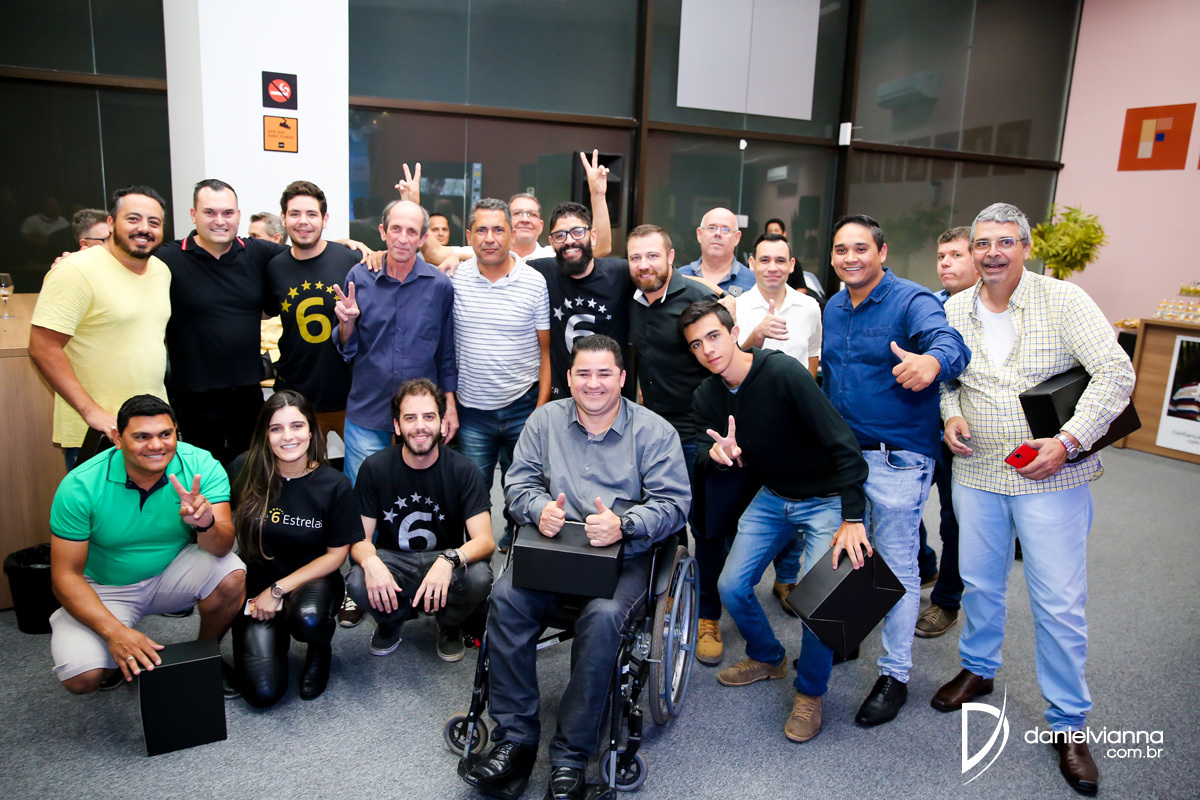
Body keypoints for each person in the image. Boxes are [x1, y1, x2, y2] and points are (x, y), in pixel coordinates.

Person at [934, 203, 1134, 796]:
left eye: (1005, 242)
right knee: (979, 583)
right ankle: (979, 669)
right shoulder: (954, 308)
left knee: (1059, 603)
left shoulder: (1063, 301)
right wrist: (950, 415)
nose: (992, 253)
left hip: (1053, 478)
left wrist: (1068, 441)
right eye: (982, 243)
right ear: (972, 251)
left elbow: (1115, 373)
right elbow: (947, 380)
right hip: (977, 472)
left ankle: (1068, 721)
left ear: (1025, 247)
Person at [463, 335, 689, 800]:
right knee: (505, 598)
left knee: (603, 618)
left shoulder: (655, 432)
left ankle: (570, 755)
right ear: (568, 378)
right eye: (583, 373)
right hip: (555, 548)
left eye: (604, 373)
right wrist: (539, 509)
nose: (593, 383)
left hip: (623, 556)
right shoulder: (544, 421)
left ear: (622, 378)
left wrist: (624, 525)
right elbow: (518, 484)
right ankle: (515, 740)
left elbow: (673, 504)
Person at [681, 300, 868, 742]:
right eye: (696, 345)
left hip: (826, 500)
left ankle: (811, 693)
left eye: (713, 336)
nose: (708, 349)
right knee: (731, 586)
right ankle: (768, 657)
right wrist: (716, 456)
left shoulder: (782, 372)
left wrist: (853, 515)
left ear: (734, 332)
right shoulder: (706, 395)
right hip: (774, 496)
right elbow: (702, 453)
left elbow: (843, 442)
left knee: (819, 601)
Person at [821, 213, 970, 727]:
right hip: (845, 455)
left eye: (861, 248)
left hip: (896, 457)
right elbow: (832, 379)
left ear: (881, 252)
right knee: (849, 551)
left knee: (898, 564)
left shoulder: (912, 300)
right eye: (841, 250)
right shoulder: (834, 306)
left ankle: (895, 675)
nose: (850, 258)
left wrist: (932, 362)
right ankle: (845, 636)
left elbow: (950, 344)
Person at [157, 179, 373, 466]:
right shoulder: (169, 258)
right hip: (206, 395)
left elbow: (314, 252)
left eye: (227, 213)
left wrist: (353, 247)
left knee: (258, 471)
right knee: (214, 473)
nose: (220, 221)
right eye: (210, 212)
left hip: (269, 393)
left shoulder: (263, 254)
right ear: (193, 214)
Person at [47, 395, 245, 696]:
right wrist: (115, 633)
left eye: (165, 434)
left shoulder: (201, 465)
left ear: (176, 432)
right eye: (141, 437)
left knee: (232, 574)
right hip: (105, 586)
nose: (156, 445)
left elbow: (222, 547)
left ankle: (204, 656)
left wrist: (205, 523)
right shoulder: (80, 485)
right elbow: (64, 575)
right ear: (118, 439)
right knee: (83, 678)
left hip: (171, 571)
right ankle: (107, 644)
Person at [626, 224, 738, 665]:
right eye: (636, 258)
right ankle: (669, 591)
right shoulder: (632, 297)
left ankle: (708, 614)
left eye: (653, 255)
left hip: (697, 429)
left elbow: (725, 346)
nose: (644, 265)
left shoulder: (696, 298)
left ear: (671, 257)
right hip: (653, 430)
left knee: (705, 526)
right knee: (662, 517)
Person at [346, 379, 494, 662]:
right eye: (410, 418)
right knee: (357, 579)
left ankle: (449, 624)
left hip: (444, 559)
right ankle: (391, 620)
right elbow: (358, 539)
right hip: (395, 560)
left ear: (442, 423)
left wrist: (449, 559)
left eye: (428, 416)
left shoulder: (463, 469)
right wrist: (370, 560)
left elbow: (485, 541)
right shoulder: (374, 468)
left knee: (479, 577)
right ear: (397, 426)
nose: (420, 426)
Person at [231, 391, 360, 707]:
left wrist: (278, 590)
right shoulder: (244, 469)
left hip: (313, 582)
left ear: (312, 431)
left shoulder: (334, 484)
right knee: (262, 694)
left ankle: (319, 649)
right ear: (265, 435)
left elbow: (336, 555)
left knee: (309, 620)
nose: (288, 437)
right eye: (276, 429)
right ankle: (275, 635)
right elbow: (219, 529)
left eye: (297, 426)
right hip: (257, 588)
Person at [30, 186, 171, 469]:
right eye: (133, 219)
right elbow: (42, 347)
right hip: (98, 430)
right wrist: (91, 411)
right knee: (99, 500)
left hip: (152, 428)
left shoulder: (161, 270)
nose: (144, 228)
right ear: (111, 223)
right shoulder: (76, 270)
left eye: (153, 222)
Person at [333, 198, 458, 482]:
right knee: (364, 495)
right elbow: (346, 348)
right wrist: (347, 323)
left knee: (419, 497)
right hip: (368, 410)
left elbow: (446, 353)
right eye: (396, 229)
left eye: (412, 231)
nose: (402, 238)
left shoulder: (439, 286)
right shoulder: (359, 277)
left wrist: (449, 405)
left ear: (423, 238)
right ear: (382, 232)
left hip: (421, 418)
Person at [450, 198, 550, 551]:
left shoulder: (534, 282)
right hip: (471, 409)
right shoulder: (455, 279)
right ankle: (476, 554)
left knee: (521, 486)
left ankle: (515, 539)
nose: (489, 238)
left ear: (511, 233)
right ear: (469, 236)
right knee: (473, 490)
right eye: (481, 230)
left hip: (522, 404)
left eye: (498, 230)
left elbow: (546, 351)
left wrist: (540, 408)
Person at [733, 232, 823, 613]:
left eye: (780, 260)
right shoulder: (738, 306)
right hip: (751, 422)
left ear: (791, 265)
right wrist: (756, 334)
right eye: (765, 260)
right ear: (752, 263)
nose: (773, 267)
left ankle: (787, 579)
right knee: (751, 505)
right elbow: (729, 360)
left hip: (797, 425)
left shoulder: (809, 307)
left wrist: (807, 405)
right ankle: (741, 579)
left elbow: (813, 357)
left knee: (798, 503)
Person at [265, 181, 361, 442]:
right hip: (297, 400)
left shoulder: (350, 259)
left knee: (366, 467)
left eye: (311, 214)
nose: (303, 221)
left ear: (325, 219)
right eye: (295, 214)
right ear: (283, 218)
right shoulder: (274, 267)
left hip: (350, 397)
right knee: (300, 466)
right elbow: (264, 312)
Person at [914, 226, 975, 639]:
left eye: (956, 255)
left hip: (966, 435)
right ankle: (923, 565)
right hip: (922, 426)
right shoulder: (929, 305)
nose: (946, 263)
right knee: (903, 507)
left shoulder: (987, 311)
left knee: (954, 521)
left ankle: (947, 601)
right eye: (941, 256)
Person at [526, 201, 633, 400]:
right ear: (551, 242)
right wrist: (464, 256)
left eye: (577, 232)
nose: (569, 241)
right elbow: (500, 263)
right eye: (560, 235)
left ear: (593, 236)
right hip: (561, 399)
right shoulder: (542, 271)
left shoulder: (620, 272)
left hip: (612, 399)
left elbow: (661, 276)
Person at [679, 207, 755, 296]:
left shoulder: (753, 282)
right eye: (711, 228)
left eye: (725, 229)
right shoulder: (680, 276)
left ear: (737, 238)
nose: (718, 233)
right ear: (699, 234)